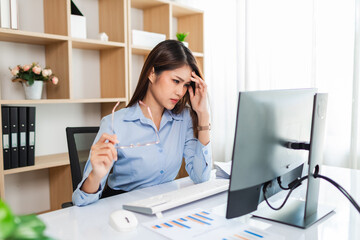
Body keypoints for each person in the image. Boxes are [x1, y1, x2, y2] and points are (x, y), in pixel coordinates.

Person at [72, 40, 212, 206]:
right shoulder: (115, 123)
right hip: (125, 214)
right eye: (175, 81)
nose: (180, 92)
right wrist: (95, 176)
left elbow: (200, 176)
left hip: (164, 209)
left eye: (186, 85)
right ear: (152, 74)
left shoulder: (184, 119)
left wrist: (203, 114)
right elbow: (79, 202)